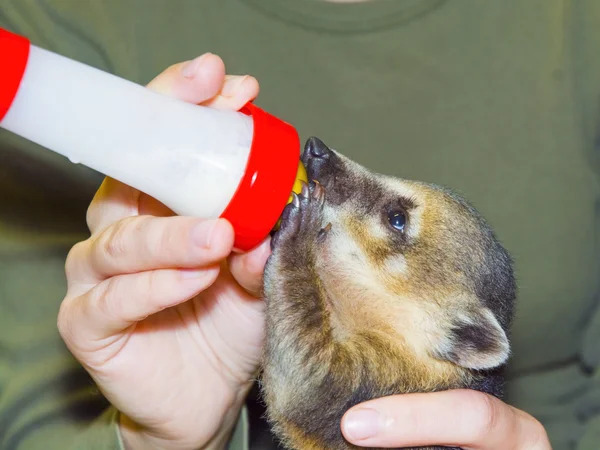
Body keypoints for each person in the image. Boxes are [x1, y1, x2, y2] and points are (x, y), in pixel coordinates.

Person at [0, 1, 598, 449]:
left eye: (394, 220)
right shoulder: (62, 19)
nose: (326, 164)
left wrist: (291, 246)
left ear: (465, 340)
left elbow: (308, 386)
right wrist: (158, 439)